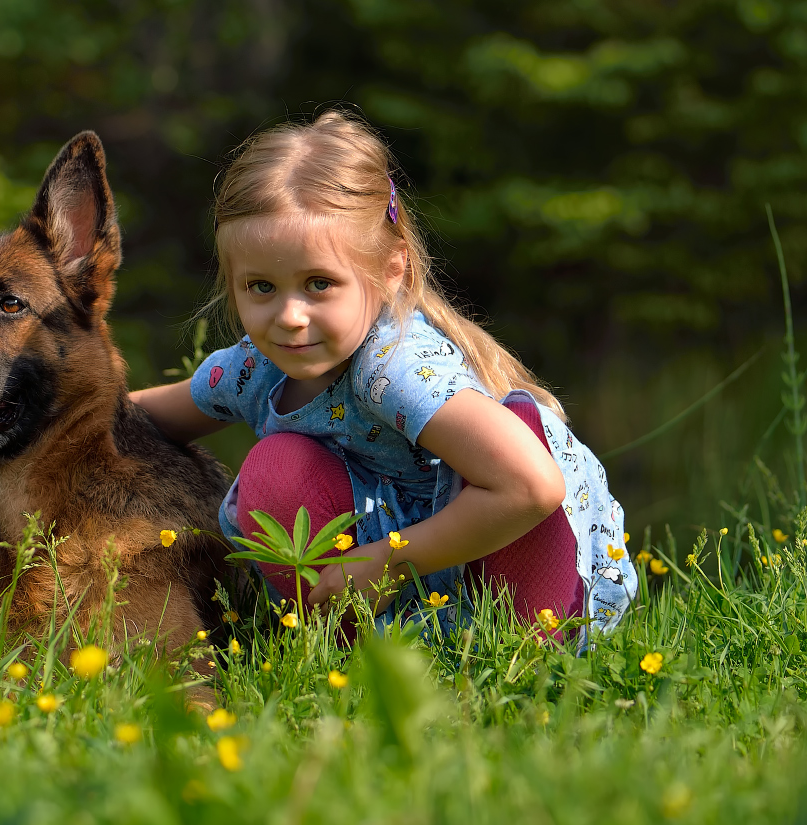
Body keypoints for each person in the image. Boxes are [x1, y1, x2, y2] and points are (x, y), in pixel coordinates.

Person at [131, 110, 636, 637]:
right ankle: (349, 659)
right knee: (275, 468)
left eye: (319, 283)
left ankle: (522, 658)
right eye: (261, 287)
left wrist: (390, 562)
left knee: (518, 448)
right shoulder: (253, 370)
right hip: (393, 574)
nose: (289, 316)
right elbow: (139, 416)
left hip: (519, 565)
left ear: (391, 269)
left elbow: (532, 487)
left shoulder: (393, 368)